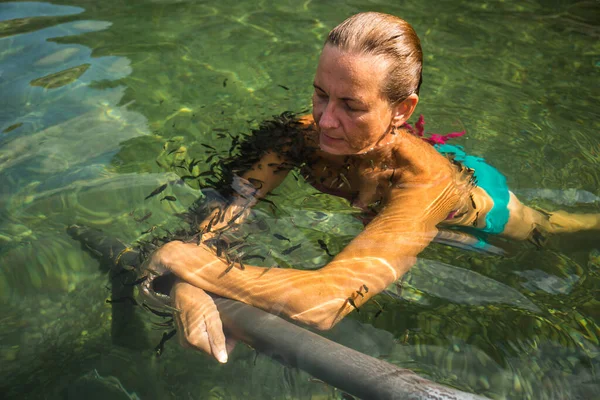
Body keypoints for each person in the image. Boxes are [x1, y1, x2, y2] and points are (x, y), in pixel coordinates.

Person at [141, 12, 600, 364]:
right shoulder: (300, 135)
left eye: (351, 105)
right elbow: (229, 209)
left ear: (402, 109)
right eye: (321, 93)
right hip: (387, 186)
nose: (325, 119)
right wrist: (189, 289)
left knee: (552, 233)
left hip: (475, 203)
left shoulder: (428, 184)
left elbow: (324, 303)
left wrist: (184, 259)